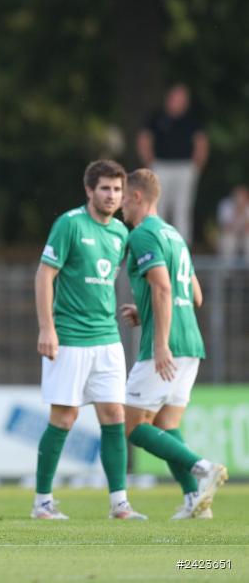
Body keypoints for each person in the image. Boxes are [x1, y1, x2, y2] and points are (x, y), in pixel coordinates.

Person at [32, 159, 146, 520]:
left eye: (117, 190)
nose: (112, 196)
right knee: (63, 418)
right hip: (69, 338)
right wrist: (47, 327)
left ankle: (119, 504)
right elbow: (44, 276)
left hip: (108, 338)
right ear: (89, 191)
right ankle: (43, 502)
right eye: (106, 189)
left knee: (114, 414)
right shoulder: (69, 224)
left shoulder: (120, 233)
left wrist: (139, 308)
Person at [119, 168, 228, 519]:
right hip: (191, 342)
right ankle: (194, 500)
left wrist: (160, 342)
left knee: (134, 426)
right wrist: (145, 310)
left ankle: (202, 468)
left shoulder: (142, 235)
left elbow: (164, 288)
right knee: (166, 424)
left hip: (165, 345)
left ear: (137, 197)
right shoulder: (174, 235)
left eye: (123, 196)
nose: (120, 204)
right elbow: (194, 295)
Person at [137, 84, 209, 244]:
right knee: (158, 206)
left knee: (182, 209)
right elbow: (144, 139)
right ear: (169, 99)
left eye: (183, 99)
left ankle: (181, 248)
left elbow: (201, 143)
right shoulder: (156, 117)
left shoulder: (192, 120)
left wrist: (196, 167)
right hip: (161, 167)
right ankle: (158, 244)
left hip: (185, 167)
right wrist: (150, 163)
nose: (180, 102)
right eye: (177, 98)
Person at [216, 185, 249, 260]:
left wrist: (243, 210)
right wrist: (237, 211)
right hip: (231, 234)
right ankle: (227, 269)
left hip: (245, 235)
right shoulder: (225, 205)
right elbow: (225, 227)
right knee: (228, 240)